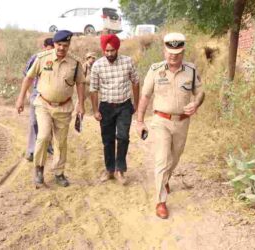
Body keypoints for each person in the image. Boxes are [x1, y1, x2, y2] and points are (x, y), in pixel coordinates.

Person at [136, 32, 205, 219]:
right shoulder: (155, 70)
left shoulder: (191, 70)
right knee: (162, 159)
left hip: (182, 122)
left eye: (177, 53)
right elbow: (145, 96)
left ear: (183, 52)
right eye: (169, 52)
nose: (173, 56)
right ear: (164, 51)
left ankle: (165, 179)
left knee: (175, 157)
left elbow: (200, 92)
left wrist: (196, 103)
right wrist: (140, 121)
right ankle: (161, 201)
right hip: (161, 120)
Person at [15, 30, 85, 187]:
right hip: (43, 104)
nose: (62, 48)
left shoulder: (75, 63)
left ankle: (59, 173)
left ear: (69, 46)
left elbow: (81, 83)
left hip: (64, 107)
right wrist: (20, 98)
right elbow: (29, 78)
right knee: (43, 136)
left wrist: (80, 103)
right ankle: (39, 169)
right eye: (59, 44)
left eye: (65, 45)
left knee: (61, 142)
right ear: (54, 44)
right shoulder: (42, 58)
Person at [90, 34, 139, 185]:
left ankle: (120, 170)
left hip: (124, 105)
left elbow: (136, 82)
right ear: (103, 50)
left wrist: (136, 103)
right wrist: (95, 110)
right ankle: (109, 169)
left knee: (123, 137)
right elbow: (93, 88)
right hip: (106, 107)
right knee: (107, 140)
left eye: (112, 50)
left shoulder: (128, 62)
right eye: (107, 51)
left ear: (117, 48)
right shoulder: (97, 65)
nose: (109, 54)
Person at [24, 38, 54, 162]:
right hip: (36, 94)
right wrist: (26, 93)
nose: (51, 51)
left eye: (53, 49)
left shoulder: (57, 59)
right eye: (49, 49)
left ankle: (48, 145)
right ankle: (31, 150)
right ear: (44, 47)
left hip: (52, 96)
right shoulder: (36, 58)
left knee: (49, 121)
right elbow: (26, 76)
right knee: (34, 122)